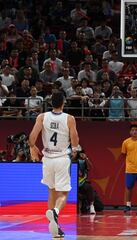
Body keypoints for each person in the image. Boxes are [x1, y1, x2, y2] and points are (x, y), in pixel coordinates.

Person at [28, 92, 80, 238]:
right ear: (63, 103)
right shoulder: (69, 118)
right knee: (63, 193)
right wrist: (75, 150)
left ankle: (55, 228)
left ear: (51, 103)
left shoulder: (42, 117)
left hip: (47, 159)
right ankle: (56, 212)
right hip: (62, 158)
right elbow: (74, 138)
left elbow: (32, 137)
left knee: (51, 190)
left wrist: (32, 147)